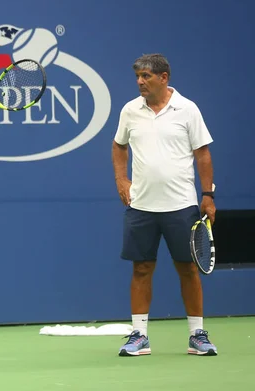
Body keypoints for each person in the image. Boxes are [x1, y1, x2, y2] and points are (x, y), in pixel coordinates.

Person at [112, 53, 218, 357]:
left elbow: (203, 154)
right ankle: (139, 336)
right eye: (138, 77)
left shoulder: (188, 109)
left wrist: (208, 194)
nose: (140, 82)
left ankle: (197, 335)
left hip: (181, 205)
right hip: (141, 206)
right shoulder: (130, 110)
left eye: (146, 76)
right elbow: (119, 145)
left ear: (163, 78)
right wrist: (121, 179)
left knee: (187, 269)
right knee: (142, 268)